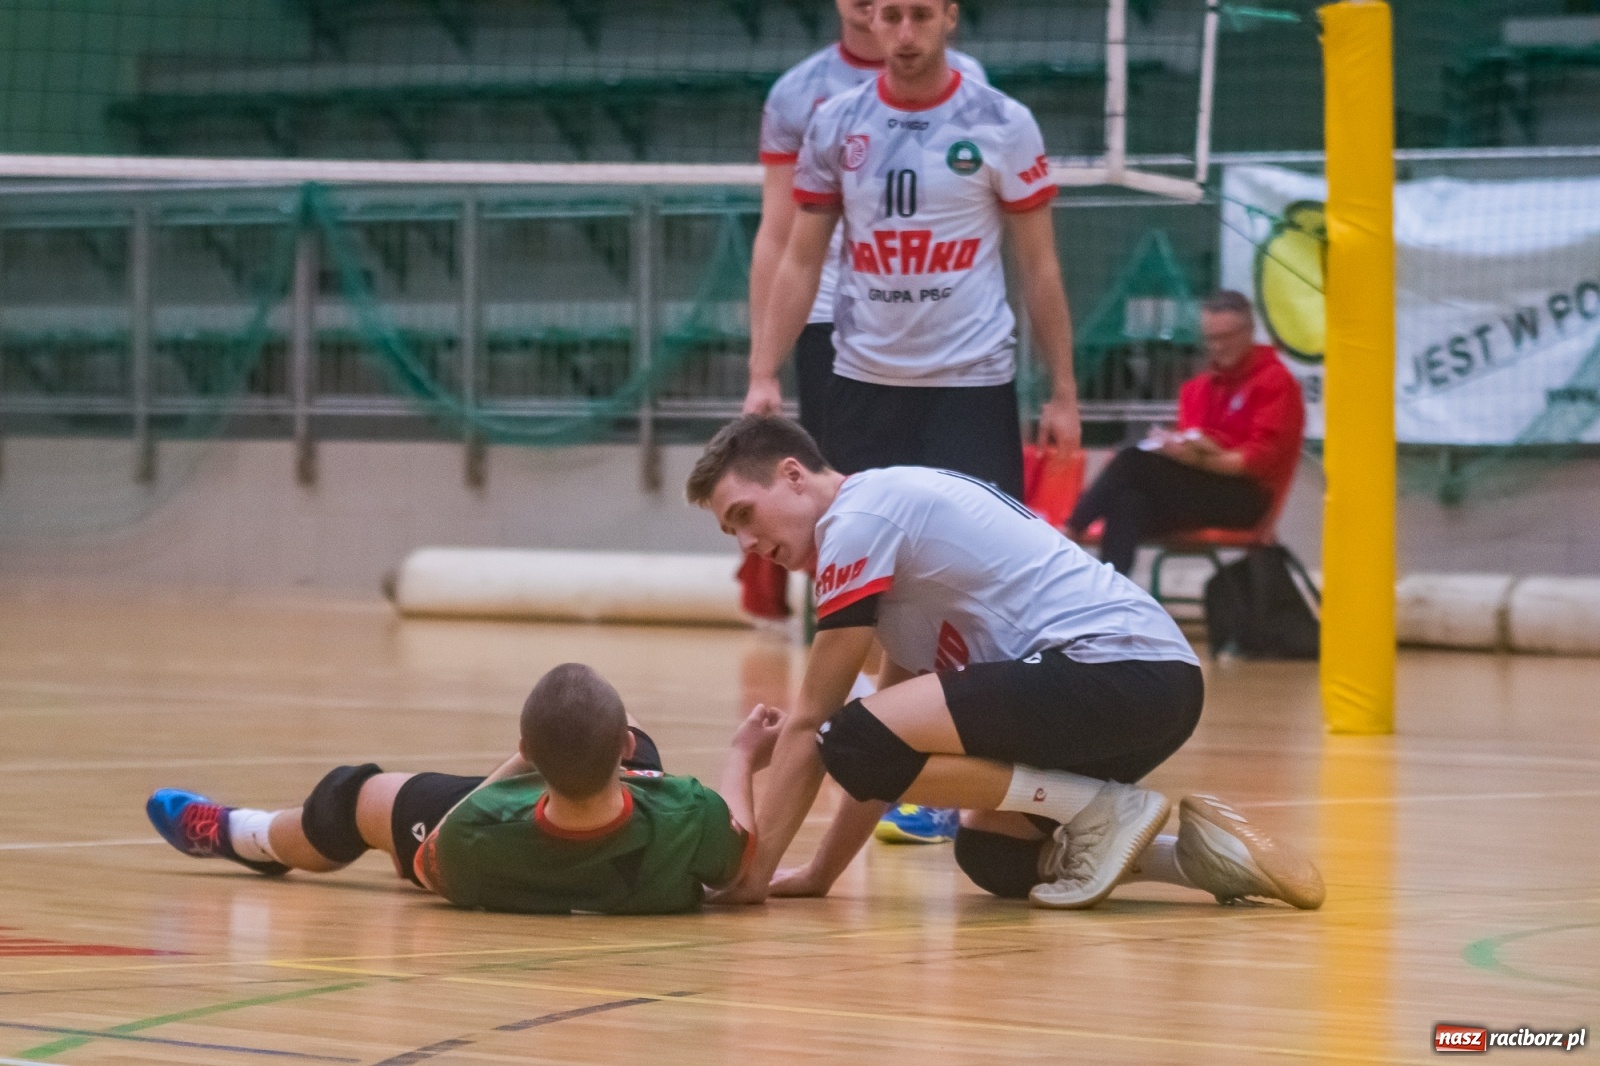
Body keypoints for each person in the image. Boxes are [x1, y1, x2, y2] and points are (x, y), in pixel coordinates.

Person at [686, 415, 1324, 911]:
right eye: (730, 532)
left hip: (1114, 669)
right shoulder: (888, 538)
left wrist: (755, 877)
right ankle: (1195, 858)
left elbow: (816, 723)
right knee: (993, 853)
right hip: (1154, 688)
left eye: (745, 515)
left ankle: (1098, 808)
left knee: (845, 737)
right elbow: (887, 729)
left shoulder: (859, 519)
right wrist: (820, 875)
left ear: (794, 474)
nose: (747, 543)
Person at [746, 0, 1083, 846]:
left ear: (949, 18)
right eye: (890, 14)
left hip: (971, 384)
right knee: (866, 593)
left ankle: (991, 778)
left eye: (920, 14)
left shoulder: (1000, 122)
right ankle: (892, 765)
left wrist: (1064, 389)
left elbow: (1039, 266)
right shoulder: (835, 122)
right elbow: (800, 256)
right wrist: (763, 369)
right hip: (866, 383)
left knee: (975, 589)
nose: (903, 31)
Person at [145, 663, 780, 915]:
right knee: (616, 712)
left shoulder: (478, 828)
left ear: (528, 757)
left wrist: (522, 762)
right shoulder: (688, 811)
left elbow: (429, 866)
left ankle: (241, 834)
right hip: (633, 836)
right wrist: (742, 754)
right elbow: (739, 868)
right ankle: (596, 747)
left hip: (516, 836)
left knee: (353, 797)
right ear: (623, 756)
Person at [737, 0, 986, 626]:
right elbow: (775, 233)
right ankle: (838, 632)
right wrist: (761, 366)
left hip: (933, 318)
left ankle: (949, 634)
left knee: (948, 489)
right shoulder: (799, 93)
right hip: (829, 317)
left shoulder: (969, 82)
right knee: (839, 489)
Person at [1065, 290, 1306, 575]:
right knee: (1127, 503)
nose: (1218, 347)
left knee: (1132, 461)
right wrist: (1178, 449)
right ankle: (1111, 602)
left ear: (1249, 332)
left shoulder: (1274, 382)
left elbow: (1254, 462)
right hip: (1200, 491)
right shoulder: (1198, 388)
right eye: (1211, 338)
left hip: (1245, 497)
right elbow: (1190, 446)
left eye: (1226, 337)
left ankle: (1068, 531)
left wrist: (1200, 457)